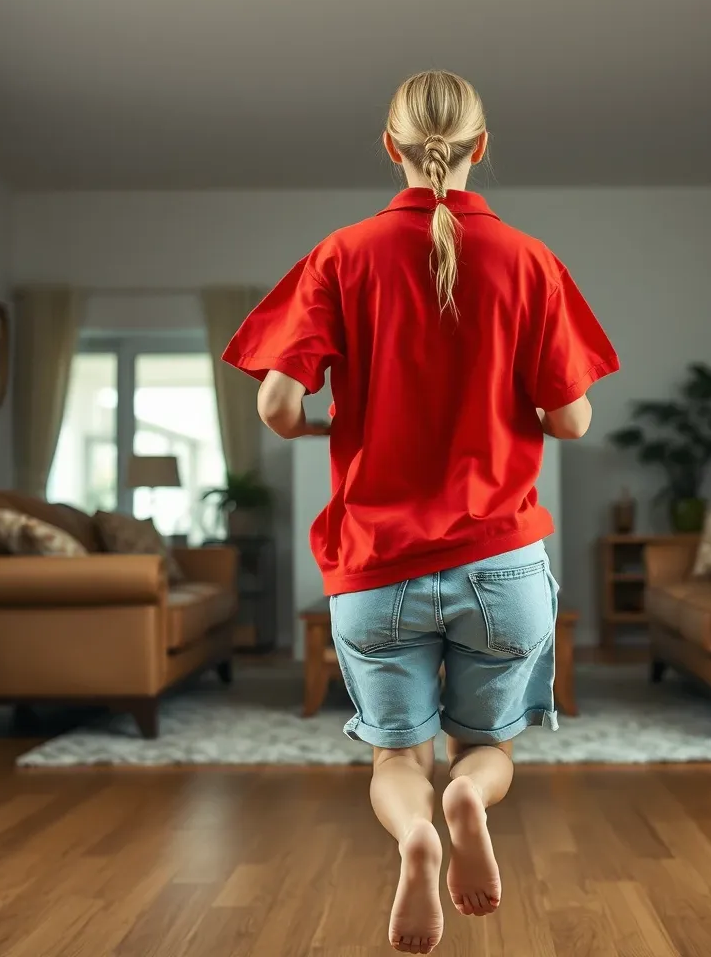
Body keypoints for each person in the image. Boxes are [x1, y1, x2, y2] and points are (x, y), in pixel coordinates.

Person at [222, 70, 619, 955]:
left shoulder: (341, 254)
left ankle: (414, 835)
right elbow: (571, 417)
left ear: (389, 147)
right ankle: (469, 797)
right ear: (482, 147)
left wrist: (338, 422)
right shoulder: (531, 260)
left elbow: (277, 409)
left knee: (396, 760)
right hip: (503, 566)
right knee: (492, 747)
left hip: (377, 566)